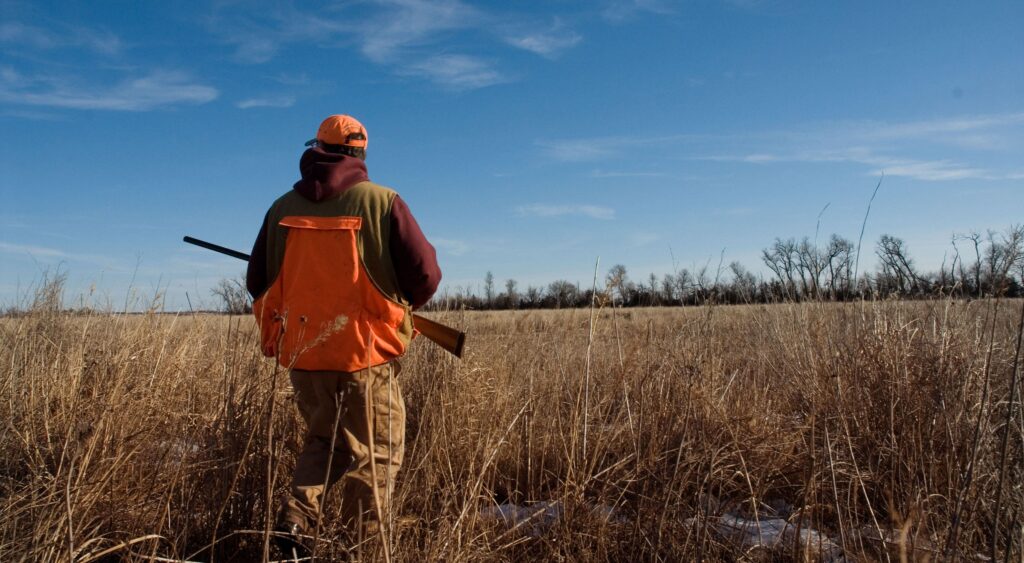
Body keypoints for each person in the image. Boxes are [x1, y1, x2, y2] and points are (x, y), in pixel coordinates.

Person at [246, 114, 441, 557]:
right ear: (360, 154)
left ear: (316, 149)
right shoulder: (382, 202)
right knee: (377, 454)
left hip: (305, 357)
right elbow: (426, 275)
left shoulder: (280, 209)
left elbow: (257, 279)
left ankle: (295, 520)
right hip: (364, 357)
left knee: (325, 441)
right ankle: (363, 549)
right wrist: (395, 304)